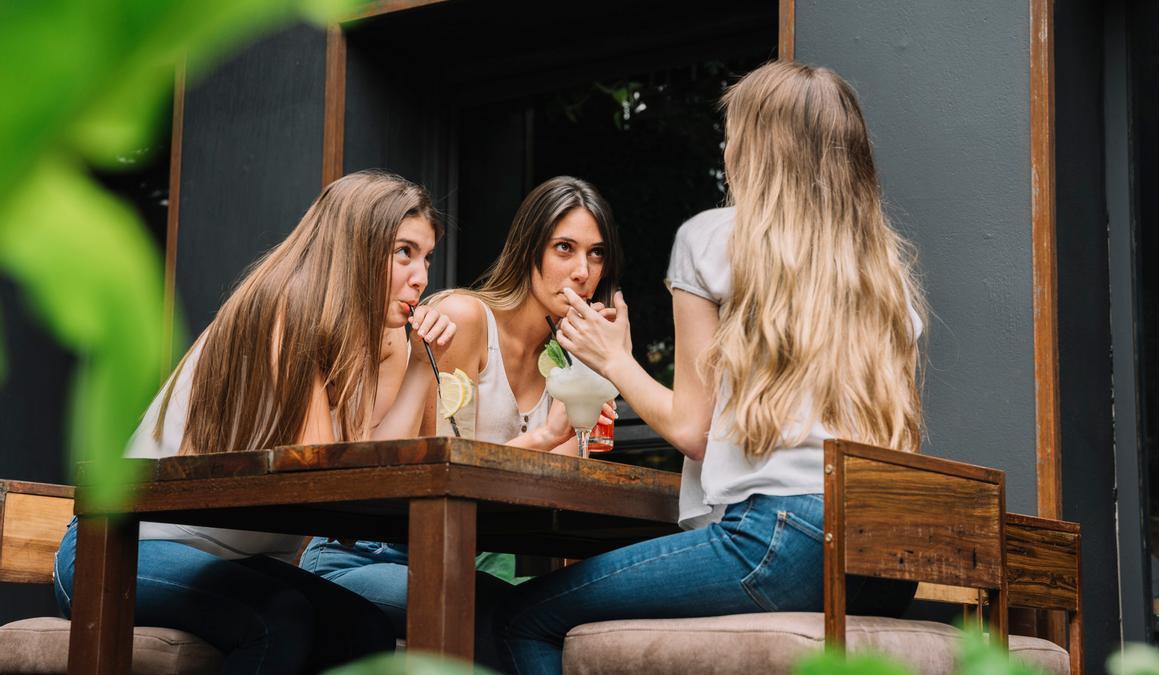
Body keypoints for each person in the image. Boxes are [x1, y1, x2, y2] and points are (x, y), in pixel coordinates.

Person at [492, 61, 929, 674]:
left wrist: (614, 359)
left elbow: (694, 432)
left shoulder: (712, 239)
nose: (725, 149)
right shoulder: (886, 278)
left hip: (780, 542)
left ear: (756, 148)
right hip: (884, 563)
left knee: (521, 619)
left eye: (734, 135)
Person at [53, 169, 456, 673]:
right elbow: (325, 477)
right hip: (123, 548)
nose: (421, 276)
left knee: (365, 629)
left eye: (426, 257)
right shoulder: (285, 309)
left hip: (231, 561)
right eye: (404, 252)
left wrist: (422, 363)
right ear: (355, 244)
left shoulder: (380, 340)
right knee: (279, 621)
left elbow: (373, 478)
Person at [300, 175, 621, 668]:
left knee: (561, 614)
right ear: (527, 250)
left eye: (596, 254)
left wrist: (585, 423)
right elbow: (430, 472)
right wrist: (546, 436)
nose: (582, 271)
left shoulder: (565, 361)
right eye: (564, 248)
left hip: (453, 560)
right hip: (370, 553)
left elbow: (551, 482)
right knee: (511, 617)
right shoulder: (463, 319)